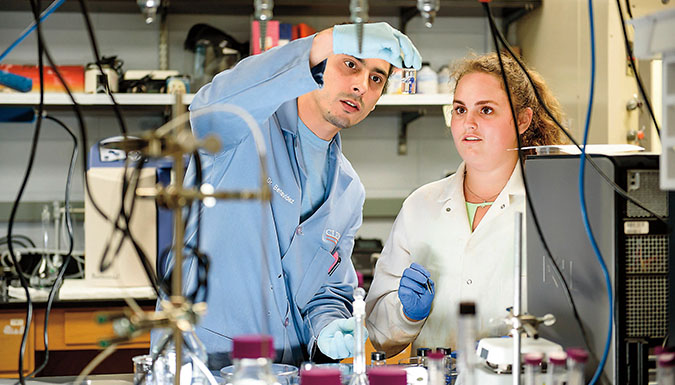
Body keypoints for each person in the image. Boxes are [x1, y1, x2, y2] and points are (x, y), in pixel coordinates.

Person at [154, 23, 422, 369]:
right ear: (316, 65)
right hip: (200, 368)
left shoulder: (349, 190)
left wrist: (327, 327)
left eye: (376, 78)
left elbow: (325, 292)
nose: (360, 86)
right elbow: (210, 107)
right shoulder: (242, 129)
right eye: (350, 64)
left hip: (285, 372)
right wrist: (324, 42)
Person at [364, 52, 566, 356]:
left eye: (485, 110)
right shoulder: (421, 206)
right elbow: (380, 334)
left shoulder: (553, 209)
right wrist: (407, 314)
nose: (468, 123)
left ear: (523, 120)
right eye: (460, 110)